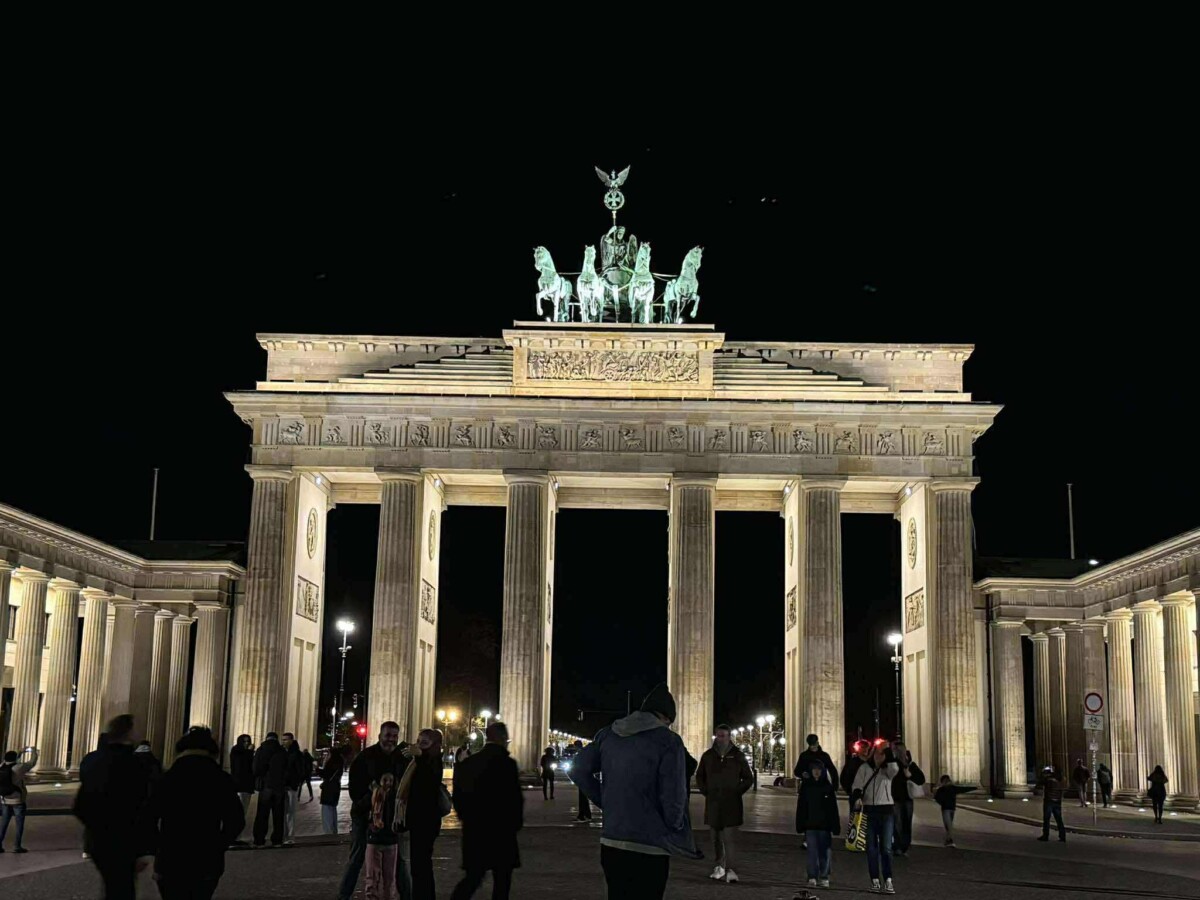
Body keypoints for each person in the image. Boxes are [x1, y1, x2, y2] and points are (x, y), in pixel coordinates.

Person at [568, 682, 701, 900]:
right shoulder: (668, 741)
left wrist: (605, 801)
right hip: (652, 844)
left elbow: (578, 769)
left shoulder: (607, 734)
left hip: (612, 841)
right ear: (665, 717)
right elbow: (674, 793)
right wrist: (674, 824)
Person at [149, 726, 244, 900]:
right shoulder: (221, 779)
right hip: (207, 856)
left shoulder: (167, 779)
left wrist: (159, 846)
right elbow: (236, 820)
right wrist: (219, 844)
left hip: (171, 855)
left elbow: (148, 818)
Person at [74, 715, 156, 899]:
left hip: (100, 840)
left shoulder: (93, 761)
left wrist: (97, 830)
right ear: (129, 733)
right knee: (122, 889)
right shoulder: (134, 765)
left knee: (113, 886)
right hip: (125, 840)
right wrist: (145, 847)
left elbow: (81, 805)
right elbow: (144, 808)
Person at [449, 721, 523, 900]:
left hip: (475, 830)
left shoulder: (469, 763)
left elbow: (458, 797)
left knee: (473, 878)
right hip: (502, 831)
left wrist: (467, 819)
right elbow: (514, 799)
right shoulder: (507, 764)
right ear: (502, 738)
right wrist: (514, 824)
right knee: (502, 880)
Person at [338, 721, 410, 900]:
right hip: (365, 816)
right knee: (357, 857)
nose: (391, 740)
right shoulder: (365, 757)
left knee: (399, 860)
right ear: (379, 736)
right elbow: (355, 791)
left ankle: (407, 895)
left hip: (392, 817)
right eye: (387, 735)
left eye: (394, 736)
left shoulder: (402, 758)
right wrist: (371, 798)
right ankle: (343, 896)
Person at [696, 724, 753, 884]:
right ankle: (719, 866)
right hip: (713, 802)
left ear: (729, 737)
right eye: (718, 736)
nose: (720, 739)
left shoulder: (738, 756)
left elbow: (748, 778)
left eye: (723, 736)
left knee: (729, 838)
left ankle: (731, 870)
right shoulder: (708, 756)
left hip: (731, 803)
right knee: (715, 838)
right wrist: (706, 791)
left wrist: (736, 791)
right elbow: (700, 776)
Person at [397, 728, 447, 900]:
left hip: (426, 821)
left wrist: (420, 756)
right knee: (419, 864)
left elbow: (429, 782)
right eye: (418, 741)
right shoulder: (419, 761)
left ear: (435, 745)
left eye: (424, 743)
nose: (419, 745)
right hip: (418, 820)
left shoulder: (433, 761)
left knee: (421, 865)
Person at [851, 740, 900, 895]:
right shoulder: (864, 768)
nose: (880, 756)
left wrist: (888, 751)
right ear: (873, 753)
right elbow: (856, 785)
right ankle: (875, 880)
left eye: (883, 754)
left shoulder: (888, 770)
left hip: (886, 810)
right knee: (871, 848)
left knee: (886, 848)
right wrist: (857, 797)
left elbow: (894, 769)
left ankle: (888, 879)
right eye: (878, 753)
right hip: (869, 810)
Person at [796, 758, 840, 888]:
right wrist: (800, 824)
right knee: (812, 852)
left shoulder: (827, 787)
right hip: (810, 824)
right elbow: (801, 807)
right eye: (814, 769)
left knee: (824, 852)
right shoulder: (806, 787)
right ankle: (812, 876)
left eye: (819, 769)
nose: (816, 772)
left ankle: (824, 876)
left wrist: (835, 825)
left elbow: (833, 808)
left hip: (824, 825)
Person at [365, 772, 401, 900]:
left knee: (389, 880)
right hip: (376, 840)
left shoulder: (395, 797)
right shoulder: (373, 795)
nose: (388, 783)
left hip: (389, 840)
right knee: (373, 879)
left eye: (390, 780)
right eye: (385, 780)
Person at [889, 740, 925, 857]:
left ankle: (899, 846)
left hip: (898, 797)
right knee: (905, 823)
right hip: (905, 798)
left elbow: (921, 779)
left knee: (898, 823)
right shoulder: (908, 764)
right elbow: (921, 779)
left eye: (893, 749)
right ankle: (903, 846)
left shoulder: (904, 765)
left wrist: (910, 776)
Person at [251, 731, 287, 848]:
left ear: (266, 738)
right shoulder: (282, 751)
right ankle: (277, 840)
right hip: (279, 786)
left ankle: (259, 840)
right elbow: (287, 768)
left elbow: (255, 769)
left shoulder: (261, 750)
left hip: (266, 785)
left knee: (262, 814)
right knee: (278, 814)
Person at [0, 745, 38, 853]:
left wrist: (19, 752)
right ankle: (17, 846)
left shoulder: (1, 766)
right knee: (19, 824)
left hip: (4, 799)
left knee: (4, 823)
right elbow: (32, 762)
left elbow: (10, 760)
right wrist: (33, 752)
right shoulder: (19, 768)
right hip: (17, 800)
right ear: (15, 759)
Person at [229, 734, 255, 844]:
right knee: (238, 812)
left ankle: (238, 837)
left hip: (246, 786)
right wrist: (249, 752)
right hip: (239, 786)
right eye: (244, 741)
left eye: (248, 741)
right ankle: (235, 837)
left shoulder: (244, 752)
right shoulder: (237, 751)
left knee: (243, 812)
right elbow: (240, 766)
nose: (247, 744)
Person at [932, 775, 974, 846]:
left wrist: (942, 802)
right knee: (949, 824)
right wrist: (974, 788)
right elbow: (963, 789)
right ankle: (948, 839)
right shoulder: (949, 788)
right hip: (950, 809)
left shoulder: (943, 789)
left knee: (948, 825)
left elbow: (937, 798)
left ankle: (949, 840)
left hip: (946, 809)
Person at [280, 732, 306, 843]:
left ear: (291, 740)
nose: (284, 742)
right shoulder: (281, 752)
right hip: (282, 786)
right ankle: (283, 835)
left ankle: (290, 836)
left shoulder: (297, 754)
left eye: (286, 740)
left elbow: (300, 770)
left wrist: (296, 782)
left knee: (290, 811)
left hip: (291, 786)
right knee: (283, 811)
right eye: (283, 740)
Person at [320, 745, 349, 835]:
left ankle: (329, 832)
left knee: (327, 812)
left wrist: (317, 769)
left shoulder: (332, 763)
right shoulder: (339, 761)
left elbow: (327, 774)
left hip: (329, 789)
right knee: (332, 810)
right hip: (335, 788)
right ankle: (333, 831)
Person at [1036, 765, 1066, 842]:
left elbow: (1039, 783)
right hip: (1057, 801)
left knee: (1046, 819)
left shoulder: (1049, 779)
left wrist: (1043, 773)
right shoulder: (1061, 780)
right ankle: (1062, 836)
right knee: (1059, 819)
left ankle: (1045, 835)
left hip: (1049, 801)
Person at [840, 741, 871, 817]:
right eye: (862, 747)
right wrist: (850, 791)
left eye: (866, 747)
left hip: (869, 795)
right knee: (856, 817)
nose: (865, 749)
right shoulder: (852, 763)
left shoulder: (871, 762)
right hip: (855, 794)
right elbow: (844, 777)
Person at [571, 739, 592, 822]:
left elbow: (578, 765)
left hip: (583, 777)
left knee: (582, 798)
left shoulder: (580, 754)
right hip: (585, 777)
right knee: (583, 797)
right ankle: (585, 815)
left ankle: (583, 816)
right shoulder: (585, 753)